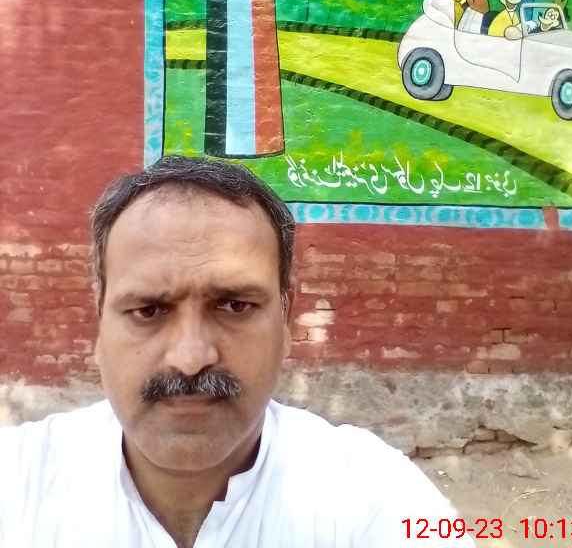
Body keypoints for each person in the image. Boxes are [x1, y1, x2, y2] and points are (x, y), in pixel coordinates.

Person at [0, 155, 475, 547]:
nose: (190, 358)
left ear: (286, 319)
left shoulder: (374, 495)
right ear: (99, 320)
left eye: (234, 306)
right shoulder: (17, 484)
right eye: (148, 310)